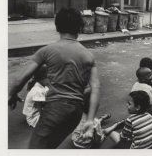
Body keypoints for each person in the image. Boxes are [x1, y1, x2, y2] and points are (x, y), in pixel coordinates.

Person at [8, 8, 101, 149]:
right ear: (80, 28)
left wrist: (12, 94)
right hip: (76, 112)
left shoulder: (46, 51)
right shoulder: (88, 55)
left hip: (56, 108)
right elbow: (96, 88)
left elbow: (20, 79)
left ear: (57, 26)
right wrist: (89, 119)